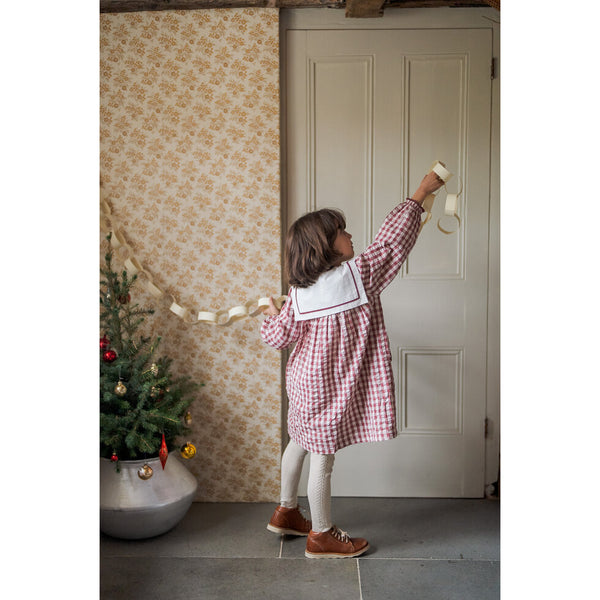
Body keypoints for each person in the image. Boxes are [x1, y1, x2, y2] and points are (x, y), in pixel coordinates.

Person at [260, 170, 445, 558]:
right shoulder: (357, 276)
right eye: (341, 232)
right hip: (331, 389)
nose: (350, 236)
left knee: (299, 442)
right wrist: (420, 194)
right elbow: (391, 244)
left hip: (304, 385)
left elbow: (278, 338)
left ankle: (286, 511)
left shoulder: (300, 292)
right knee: (322, 463)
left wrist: (271, 312)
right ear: (326, 247)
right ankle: (321, 534)